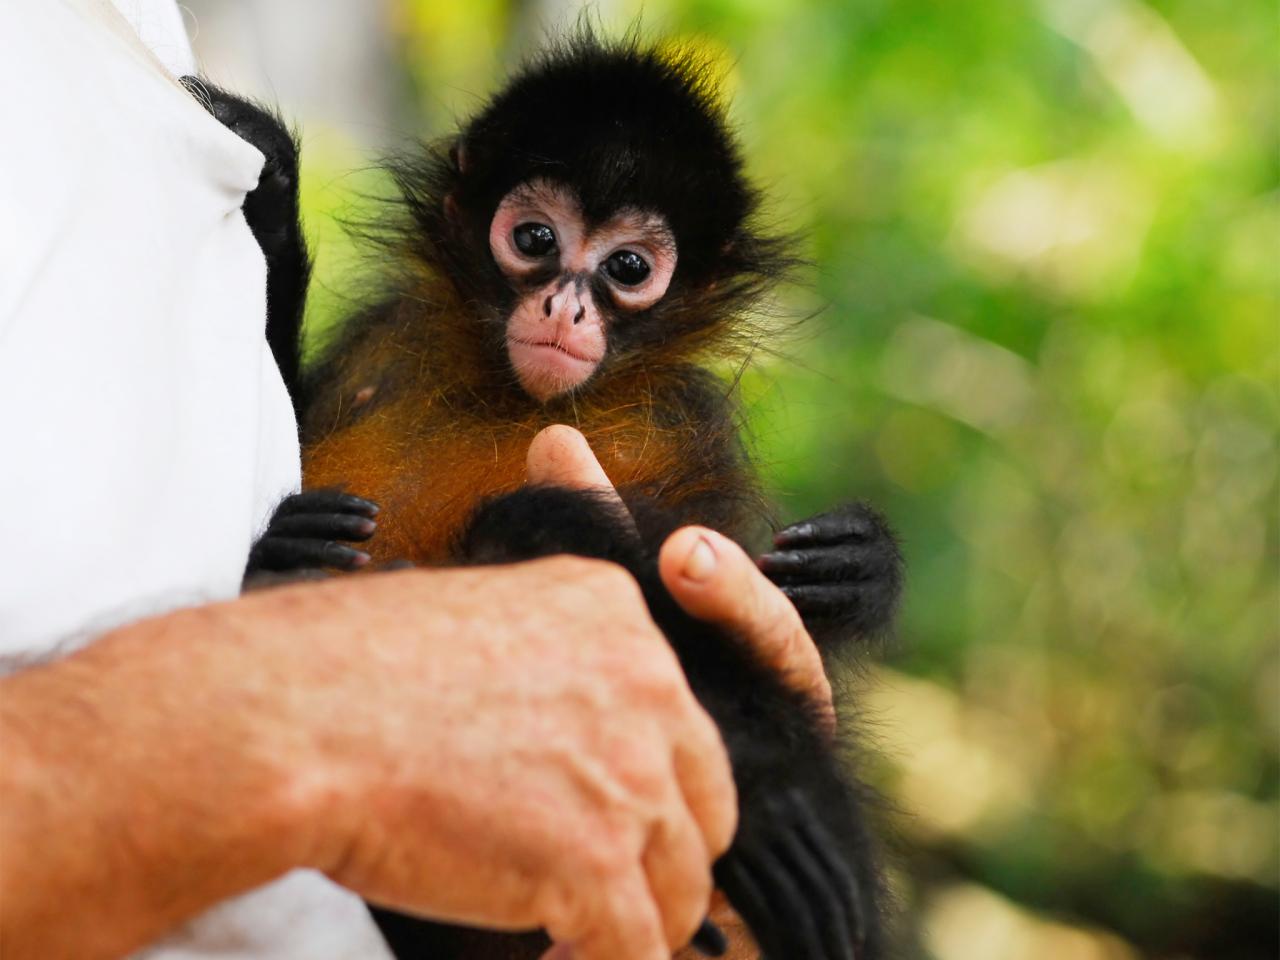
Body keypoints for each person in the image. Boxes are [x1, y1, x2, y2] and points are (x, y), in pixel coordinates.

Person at [0, 3, 831, 959]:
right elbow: (288, 488)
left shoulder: (677, 429)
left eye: (627, 269)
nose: (567, 302)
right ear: (462, 209)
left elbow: (731, 665)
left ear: (704, 288)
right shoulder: (392, 352)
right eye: (535, 242)